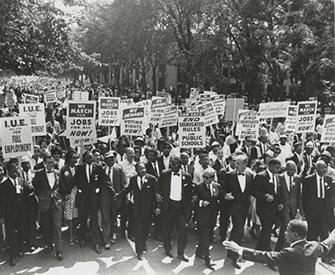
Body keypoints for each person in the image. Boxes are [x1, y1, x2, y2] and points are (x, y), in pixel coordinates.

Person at [224, 220, 335, 275]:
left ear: (295, 235)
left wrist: (239, 249)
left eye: (287, 231)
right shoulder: (315, 246)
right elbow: (327, 243)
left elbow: (264, 256)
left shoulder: (289, 252)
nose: (285, 233)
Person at [115, 162, 160, 260]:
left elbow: (158, 194)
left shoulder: (152, 179)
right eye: (140, 169)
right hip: (137, 209)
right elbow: (128, 189)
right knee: (138, 230)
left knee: (145, 229)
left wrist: (158, 207)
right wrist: (119, 194)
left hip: (148, 210)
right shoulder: (133, 179)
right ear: (136, 170)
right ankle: (139, 251)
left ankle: (143, 243)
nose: (143, 170)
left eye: (144, 168)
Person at [156, 157, 194, 262]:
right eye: (171, 164)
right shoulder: (164, 174)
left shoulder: (187, 177)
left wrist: (190, 209)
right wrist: (157, 194)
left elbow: (190, 193)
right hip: (168, 206)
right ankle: (168, 249)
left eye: (174, 165)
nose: (172, 167)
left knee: (183, 231)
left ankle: (181, 252)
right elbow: (158, 186)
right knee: (166, 230)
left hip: (181, 207)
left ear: (180, 166)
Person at [69, 151, 106, 254]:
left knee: (94, 220)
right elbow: (74, 180)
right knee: (83, 219)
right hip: (83, 198)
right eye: (88, 158)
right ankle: (83, 239)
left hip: (94, 198)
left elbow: (104, 180)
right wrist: (66, 190)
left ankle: (96, 243)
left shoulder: (98, 167)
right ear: (85, 159)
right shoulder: (80, 168)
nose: (90, 160)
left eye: (91, 158)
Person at [222, 154, 254, 269]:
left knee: (236, 230)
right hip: (234, 207)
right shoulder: (229, 175)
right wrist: (225, 195)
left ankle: (230, 252)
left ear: (245, 164)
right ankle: (236, 256)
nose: (235, 165)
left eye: (238, 163)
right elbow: (223, 189)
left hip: (244, 207)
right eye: (235, 163)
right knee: (239, 231)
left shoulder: (250, 175)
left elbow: (253, 191)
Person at [33, 152, 64, 261]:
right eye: (49, 163)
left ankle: (59, 250)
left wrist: (61, 198)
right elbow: (35, 187)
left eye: (52, 162)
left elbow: (61, 187)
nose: (51, 164)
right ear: (44, 163)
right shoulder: (39, 174)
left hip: (56, 203)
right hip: (45, 204)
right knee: (46, 227)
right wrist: (41, 197)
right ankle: (49, 244)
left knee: (57, 226)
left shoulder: (58, 172)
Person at [0, 162, 32, 266]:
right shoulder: (4, 185)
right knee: (11, 235)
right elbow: (2, 202)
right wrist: (2, 216)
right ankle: (12, 256)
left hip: (21, 213)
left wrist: (29, 188)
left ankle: (20, 249)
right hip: (10, 215)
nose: (15, 173)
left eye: (16, 171)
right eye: (13, 171)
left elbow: (28, 194)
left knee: (21, 232)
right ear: (8, 172)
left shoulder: (21, 181)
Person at [252, 158, 284, 253]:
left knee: (267, 230)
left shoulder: (278, 177)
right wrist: (265, 197)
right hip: (264, 209)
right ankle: (269, 254)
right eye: (277, 168)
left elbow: (279, 192)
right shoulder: (261, 176)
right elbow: (253, 191)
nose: (279, 170)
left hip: (274, 209)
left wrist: (280, 203)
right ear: (270, 166)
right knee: (267, 231)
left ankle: (258, 250)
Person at [302, 160, 335, 242]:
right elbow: (304, 197)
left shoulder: (329, 179)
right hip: (313, 209)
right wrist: (305, 211)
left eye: (325, 168)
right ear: (316, 168)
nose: (324, 170)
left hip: (324, 208)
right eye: (322, 167)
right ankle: (310, 252)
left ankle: (325, 253)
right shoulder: (308, 179)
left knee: (324, 233)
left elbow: (331, 196)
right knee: (312, 233)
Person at [194, 169, 220, 269]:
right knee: (205, 236)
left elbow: (218, 199)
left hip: (212, 216)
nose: (204, 179)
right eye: (203, 177)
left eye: (207, 177)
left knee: (208, 235)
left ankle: (199, 252)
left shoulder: (217, 186)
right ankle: (207, 258)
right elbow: (193, 201)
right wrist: (201, 203)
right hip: (202, 215)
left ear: (213, 178)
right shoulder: (199, 187)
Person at [275, 161, 304, 251]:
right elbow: (278, 193)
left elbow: (298, 195)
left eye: (294, 170)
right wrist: (279, 204)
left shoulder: (298, 178)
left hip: (293, 208)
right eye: (291, 170)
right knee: (288, 230)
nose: (293, 172)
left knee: (284, 231)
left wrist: (301, 210)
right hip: (283, 208)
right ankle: (285, 253)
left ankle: (278, 251)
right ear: (286, 169)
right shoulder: (280, 177)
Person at [101, 151, 126, 248]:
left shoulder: (118, 169)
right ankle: (106, 240)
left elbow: (123, 183)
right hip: (104, 198)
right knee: (105, 219)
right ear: (105, 160)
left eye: (113, 158)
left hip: (116, 198)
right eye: (109, 159)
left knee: (113, 218)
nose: (111, 160)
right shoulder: (101, 169)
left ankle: (111, 234)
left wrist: (123, 195)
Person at [59, 150, 79, 246]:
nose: (75, 160)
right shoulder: (64, 169)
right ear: (69, 159)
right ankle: (71, 235)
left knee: (76, 216)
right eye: (73, 158)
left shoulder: (78, 168)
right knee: (70, 217)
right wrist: (65, 194)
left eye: (76, 158)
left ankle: (75, 234)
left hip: (77, 194)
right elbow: (61, 183)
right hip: (69, 195)